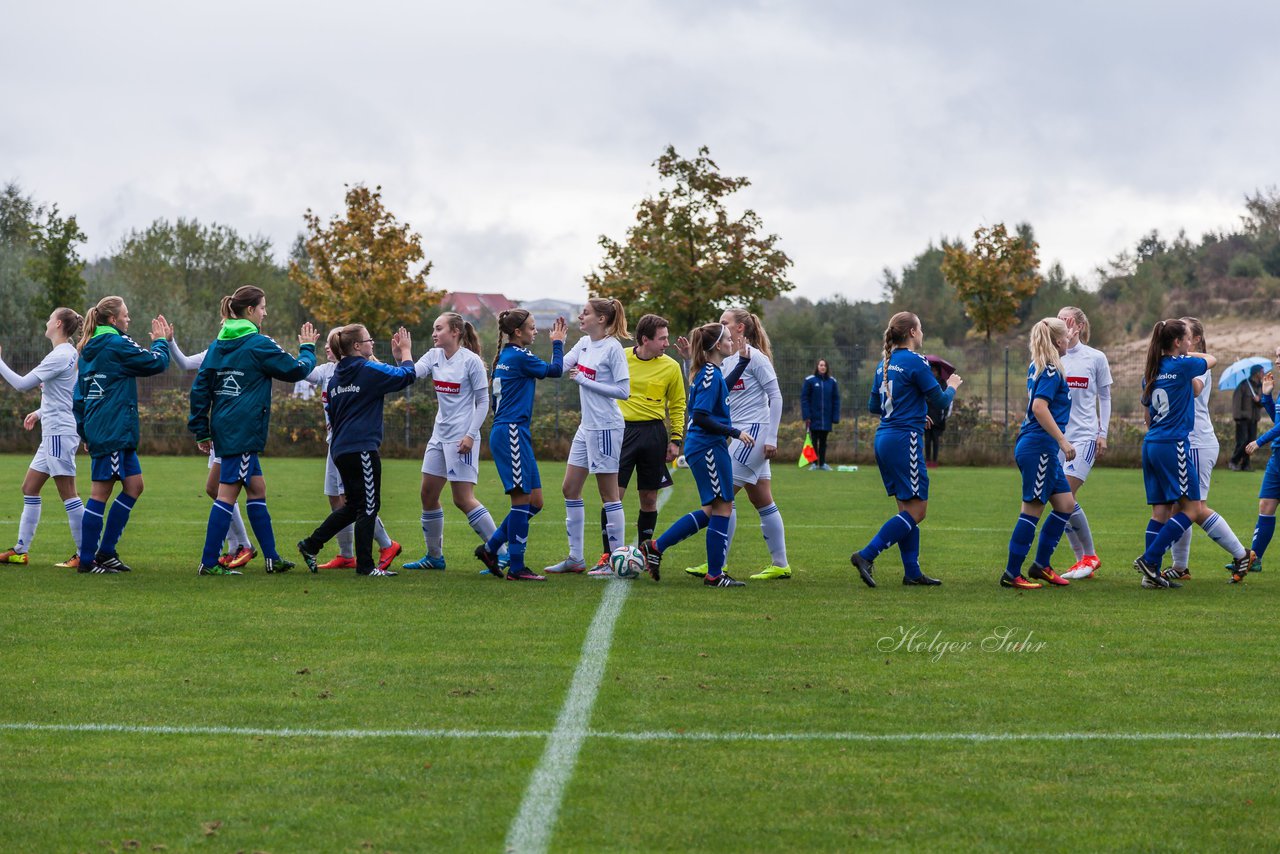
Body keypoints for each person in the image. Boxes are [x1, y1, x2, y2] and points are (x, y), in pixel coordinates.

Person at [188, 285, 318, 575]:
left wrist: (201, 429)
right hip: (243, 430)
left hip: (225, 427)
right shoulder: (258, 343)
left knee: (257, 490)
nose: (265, 312)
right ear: (250, 311)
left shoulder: (218, 344)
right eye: (262, 307)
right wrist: (308, 349)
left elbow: (199, 388)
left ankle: (272, 557)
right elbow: (296, 369)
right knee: (226, 496)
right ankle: (208, 563)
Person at [1132, 319, 1253, 588]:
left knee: (1164, 510)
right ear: (1178, 343)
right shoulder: (1185, 365)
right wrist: (1188, 356)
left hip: (1153, 443)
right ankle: (1153, 561)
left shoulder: (1150, 372)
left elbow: (1148, 416)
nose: (1188, 342)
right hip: (1177, 443)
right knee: (1191, 509)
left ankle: (1159, 572)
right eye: (1184, 338)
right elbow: (1210, 360)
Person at [850, 311, 962, 588]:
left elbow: (875, 407)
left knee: (906, 508)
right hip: (904, 441)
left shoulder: (883, 364)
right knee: (918, 510)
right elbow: (938, 398)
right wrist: (952, 386)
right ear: (912, 332)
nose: (922, 333)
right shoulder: (916, 361)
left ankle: (912, 572)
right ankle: (866, 555)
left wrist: (912, 412)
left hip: (885, 438)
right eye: (920, 328)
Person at [638, 323, 754, 587]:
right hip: (708, 447)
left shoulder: (711, 372)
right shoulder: (709, 373)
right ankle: (714, 575)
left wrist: (742, 364)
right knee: (722, 506)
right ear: (715, 346)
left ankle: (656, 547)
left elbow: (720, 389)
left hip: (708, 446)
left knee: (712, 509)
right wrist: (734, 432)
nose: (730, 343)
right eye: (726, 339)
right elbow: (700, 416)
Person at [679, 308, 789, 581]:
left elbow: (776, 397)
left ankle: (716, 565)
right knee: (761, 498)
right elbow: (706, 389)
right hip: (738, 434)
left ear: (740, 328)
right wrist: (687, 361)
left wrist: (772, 437)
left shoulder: (757, 358)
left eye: (725, 322)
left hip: (753, 434)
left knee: (722, 500)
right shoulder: (727, 357)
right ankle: (781, 564)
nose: (720, 324)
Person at [296, 324, 416, 577]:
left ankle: (310, 544)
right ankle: (366, 566)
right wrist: (405, 352)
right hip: (362, 447)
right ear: (357, 346)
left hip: (340, 448)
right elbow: (406, 376)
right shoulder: (366, 369)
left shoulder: (337, 375)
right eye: (368, 340)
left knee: (352, 507)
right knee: (369, 506)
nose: (372, 343)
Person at [72, 296, 172, 574]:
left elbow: (78, 399)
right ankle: (88, 560)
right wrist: (161, 341)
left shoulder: (89, 349)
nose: (129, 320)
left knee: (134, 486)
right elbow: (156, 363)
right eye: (126, 316)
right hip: (113, 428)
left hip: (107, 429)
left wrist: (86, 432)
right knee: (100, 493)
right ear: (113, 320)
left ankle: (105, 553)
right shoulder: (116, 343)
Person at [585, 313, 686, 575]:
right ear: (645, 339)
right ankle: (608, 556)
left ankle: (643, 553)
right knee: (613, 497)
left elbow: (677, 405)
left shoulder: (671, 367)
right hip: (620, 432)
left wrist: (676, 439)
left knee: (649, 498)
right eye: (662, 338)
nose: (667, 343)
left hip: (653, 434)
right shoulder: (622, 357)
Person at [473, 309, 568, 581]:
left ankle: (490, 549)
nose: (535, 331)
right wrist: (558, 342)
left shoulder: (505, 356)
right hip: (511, 432)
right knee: (521, 501)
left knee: (535, 502)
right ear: (517, 332)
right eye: (532, 327)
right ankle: (516, 567)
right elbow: (556, 370)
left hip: (514, 431)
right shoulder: (519, 356)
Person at [403, 312, 497, 570]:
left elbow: (483, 402)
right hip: (439, 436)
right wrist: (405, 353)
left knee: (463, 498)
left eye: (439, 328)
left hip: (461, 438)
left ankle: (502, 551)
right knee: (428, 494)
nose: (434, 333)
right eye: (434, 328)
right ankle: (435, 557)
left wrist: (470, 434)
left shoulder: (471, 362)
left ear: (455, 331)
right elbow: (410, 374)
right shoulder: (434, 356)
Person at [545, 298, 631, 574]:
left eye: (586, 313)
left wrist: (584, 380)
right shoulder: (583, 344)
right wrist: (557, 343)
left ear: (602, 319)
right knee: (570, 488)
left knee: (609, 495)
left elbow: (623, 391)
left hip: (606, 427)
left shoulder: (613, 348)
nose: (580, 317)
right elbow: (557, 370)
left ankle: (617, 561)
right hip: (587, 427)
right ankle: (575, 558)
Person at [0, 308, 86, 567]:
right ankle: (20, 551)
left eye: (50, 318)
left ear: (58, 324)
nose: (46, 322)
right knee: (30, 487)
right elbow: (65, 394)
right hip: (53, 431)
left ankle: (85, 553)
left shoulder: (61, 355)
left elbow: (21, 383)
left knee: (68, 493)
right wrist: (39, 412)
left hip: (59, 432)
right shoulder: (69, 353)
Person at [168, 333, 257, 570]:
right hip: (221, 430)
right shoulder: (215, 350)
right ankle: (237, 546)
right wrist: (170, 341)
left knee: (221, 489)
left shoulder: (248, 349)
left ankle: (245, 546)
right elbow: (185, 363)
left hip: (233, 430)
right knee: (216, 489)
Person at [1000, 319, 1076, 589]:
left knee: (1066, 505)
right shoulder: (1052, 370)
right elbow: (1039, 408)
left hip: (1039, 447)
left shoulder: (1039, 366)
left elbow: (1040, 405)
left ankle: (1041, 565)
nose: (1069, 340)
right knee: (1031, 510)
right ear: (1057, 341)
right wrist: (1063, 442)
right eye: (1066, 337)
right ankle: (1011, 573)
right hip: (1039, 447)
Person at [1055, 306, 1113, 580]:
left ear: (1078, 325)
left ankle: (1089, 556)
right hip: (1058, 439)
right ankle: (1083, 561)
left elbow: (1105, 397)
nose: (1061, 323)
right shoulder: (1053, 357)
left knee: (1065, 495)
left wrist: (1103, 433)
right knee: (1060, 500)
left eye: (1066, 319)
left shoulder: (1095, 358)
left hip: (1085, 436)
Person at [1163, 317, 1218, 581]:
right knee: (1179, 507)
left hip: (1196, 441)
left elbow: (1196, 390)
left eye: (1187, 334)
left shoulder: (1196, 365)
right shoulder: (1183, 364)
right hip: (1184, 441)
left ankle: (1242, 554)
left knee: (1195, 509)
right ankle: (1179, 566)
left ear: (1195, 340)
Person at [801, 358, 840, 470]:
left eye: (824, 365)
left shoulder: (832, 382)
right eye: (820, 365)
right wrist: (807, 415)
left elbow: (836, 400)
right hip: (813, 418)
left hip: (826, 418)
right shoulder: (810, 381)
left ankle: (822, 464)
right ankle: (814, 463)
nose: (822, 367)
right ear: (817, 367)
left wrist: (835, 417)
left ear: (827, 368)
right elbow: (804, 399)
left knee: (823, 441)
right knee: (813, 440)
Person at [1229, 364, 1265, 471]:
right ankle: (1233, 461)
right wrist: (1237, 417)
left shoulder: (1260, 386)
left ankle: (1245, 464)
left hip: (1254, 419)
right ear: (1256, 373)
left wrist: (1259, 400)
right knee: (1242, 441)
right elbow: (1236, 402)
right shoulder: (1243, 385)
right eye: (1262, 372)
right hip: (1242, 419)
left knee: (1251, 442)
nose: (1263, 374)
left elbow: (1262, 403)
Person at [923, 363, 950, 468]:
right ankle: (928, 460)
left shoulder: (943, 384)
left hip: (938, 416)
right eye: (931, 370)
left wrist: (945, 416)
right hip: (926, 415)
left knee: (935, 439)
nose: (933, 372)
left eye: (935, 370)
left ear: (938, 372)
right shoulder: (925, 382)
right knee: (927, 439)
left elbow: (945, 400)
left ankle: (934, 460)